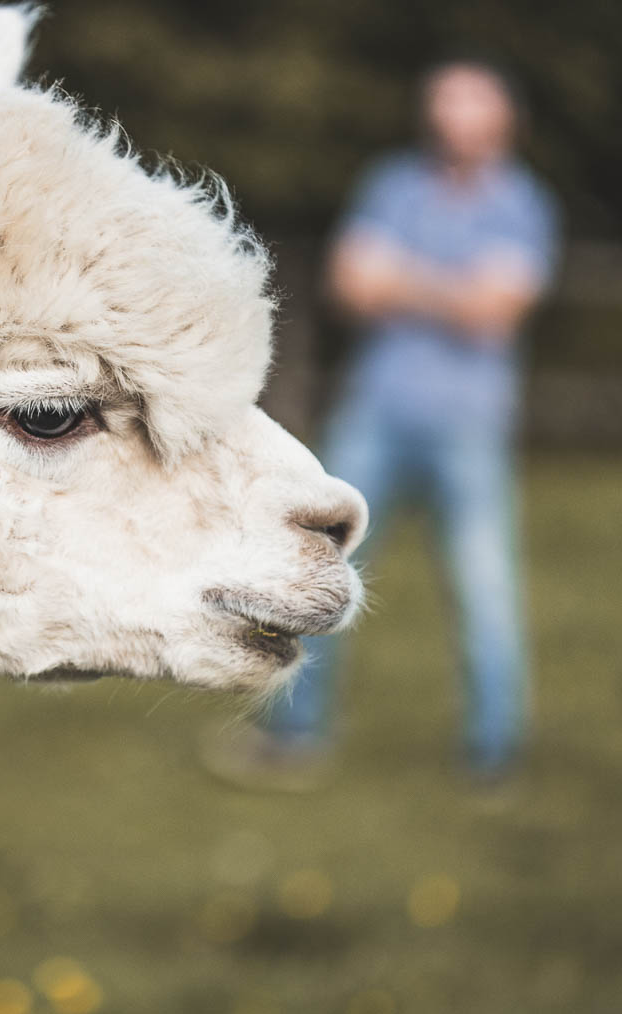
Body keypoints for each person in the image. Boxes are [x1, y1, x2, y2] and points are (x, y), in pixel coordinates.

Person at [205, 57, 559, 790]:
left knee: (484, 588)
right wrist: (453, 289)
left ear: (503, 118)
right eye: (445, 101)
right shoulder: (392, 184)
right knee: (315, 566)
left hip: (469, 425)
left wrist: (402, 279)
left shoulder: (522, 203)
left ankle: (494, 753)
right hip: (376, 409)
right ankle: (294, 736)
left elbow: (492, 313)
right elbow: (350, 286)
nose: (453, 116)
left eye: (470, 102)